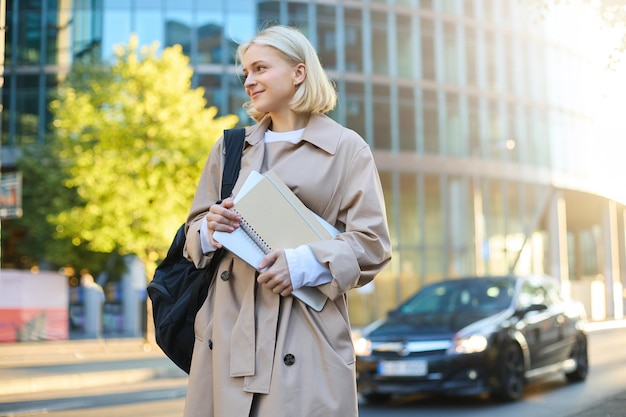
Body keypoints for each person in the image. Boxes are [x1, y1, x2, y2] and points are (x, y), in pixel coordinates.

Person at [182, 25, 392, 417]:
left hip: (304, 337)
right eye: (245, 72)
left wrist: (303, 264)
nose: (249, 80)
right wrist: (209, 230)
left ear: (298, 72)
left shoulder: (346, 148)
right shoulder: (230, 148)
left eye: (260, 68)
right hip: (226, 338)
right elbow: (190, 237)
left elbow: (373, 245)